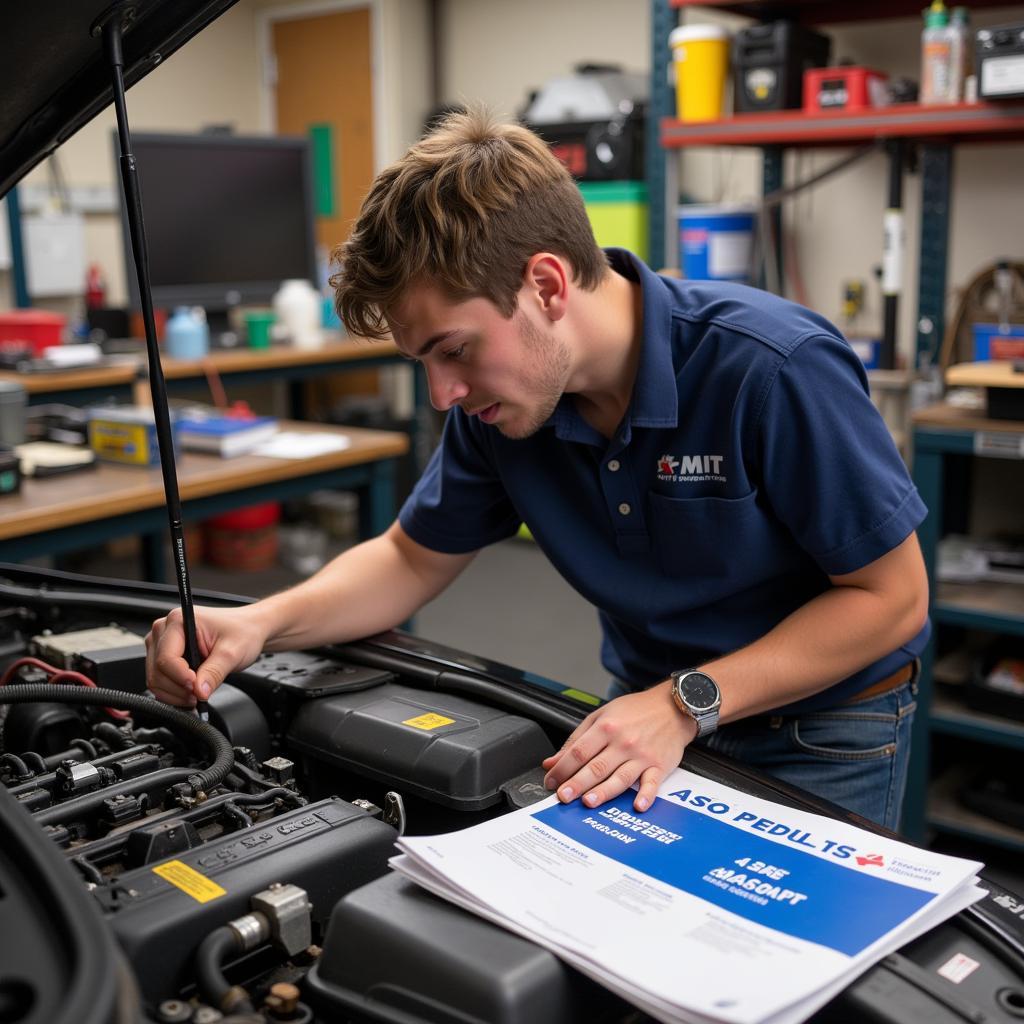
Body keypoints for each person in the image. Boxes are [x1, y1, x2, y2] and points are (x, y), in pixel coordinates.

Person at [147, 108, 929, 830]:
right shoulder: (508, 405)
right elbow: (411, 556)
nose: (444, 394)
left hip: (819, 727)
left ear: (546, 285)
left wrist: (687, 704)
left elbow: (892, 598)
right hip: (644, 708)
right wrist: (258, 623)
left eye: (453, 350)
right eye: (425, 362)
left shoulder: (771, 369)